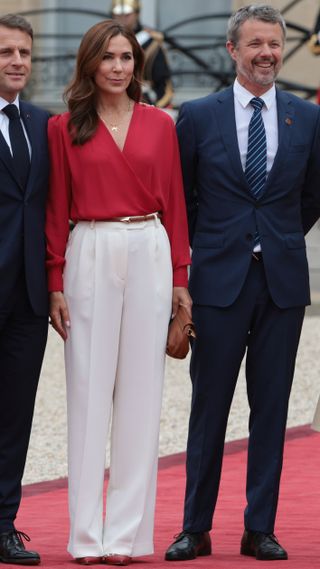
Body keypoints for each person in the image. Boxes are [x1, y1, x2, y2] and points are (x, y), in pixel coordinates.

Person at [165, 4, 320, 563]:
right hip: (217, 284)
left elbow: (311, 197)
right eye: (256, 44)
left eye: (275, 45)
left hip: (280, 284)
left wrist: (271, 239)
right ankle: (195, 527)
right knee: (209, 407)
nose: (267, 54)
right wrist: (217, 246)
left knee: (272, 409)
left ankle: (260, 528)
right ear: (233, 50)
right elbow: (184, 196)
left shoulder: (307, 117)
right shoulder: (199, 116)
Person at [45, 19, 191, 567]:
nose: (117, 67)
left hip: (149, 246)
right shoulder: (64, 127)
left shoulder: (161, 124)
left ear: (138, 65)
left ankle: (125, 536)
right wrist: (54, 280)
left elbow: (176, 202)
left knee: (141, 394)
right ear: (90, 63)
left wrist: (180, 279)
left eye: (126, 58)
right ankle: (85, 536)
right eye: (107, 57)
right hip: (91, 249)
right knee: (87, 390)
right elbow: (56, 208)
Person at [0, 13, 49, 567]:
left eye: (24, 54)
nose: (17, 62)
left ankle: (5, 524)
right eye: (7, 52)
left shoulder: (42, 123)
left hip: (29, 299)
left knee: (15, 417)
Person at [111, 0, 174, 107]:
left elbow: (162, 82)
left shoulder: (151, 43)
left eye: (127, 15)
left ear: (137, 14)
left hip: (143, 100)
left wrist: (158, 105)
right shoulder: (105, 41)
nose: (122, 18)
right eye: (118, 15)